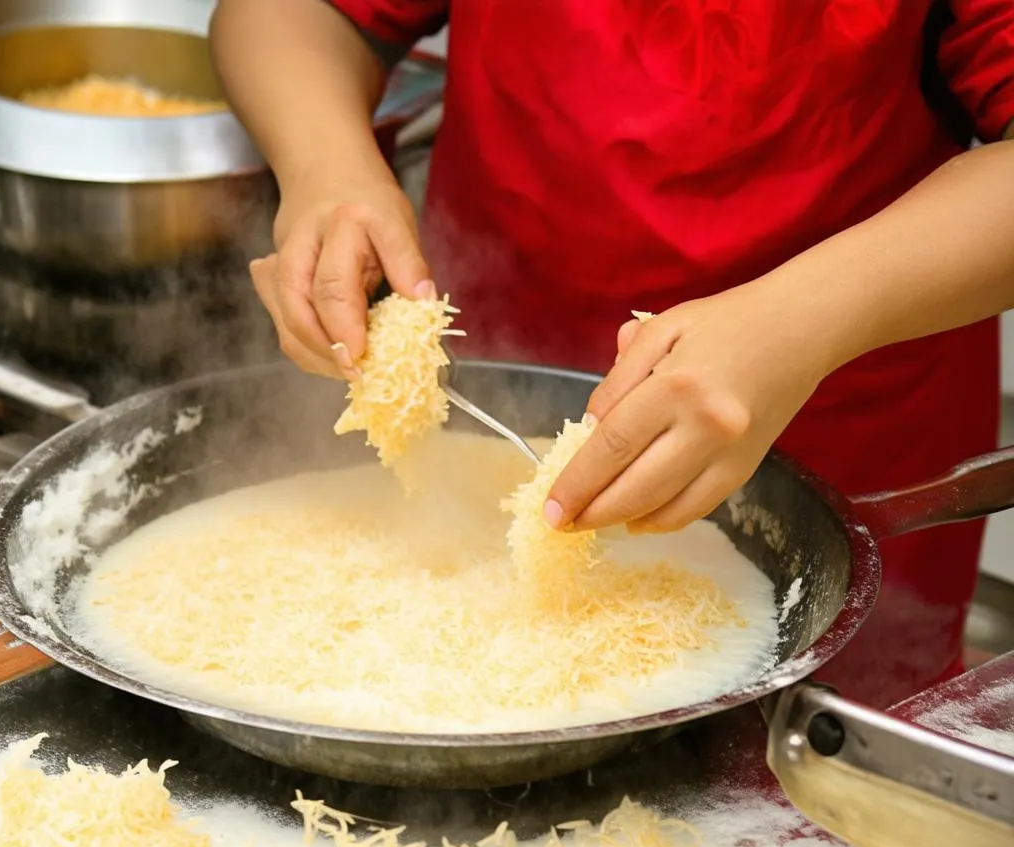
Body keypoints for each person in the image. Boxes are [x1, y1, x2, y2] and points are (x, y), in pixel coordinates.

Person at [210, 0, 1014, 705]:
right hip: (488, 417)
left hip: (846, 436)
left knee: (797, 819)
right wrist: (328, 169)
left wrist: (801, 318)